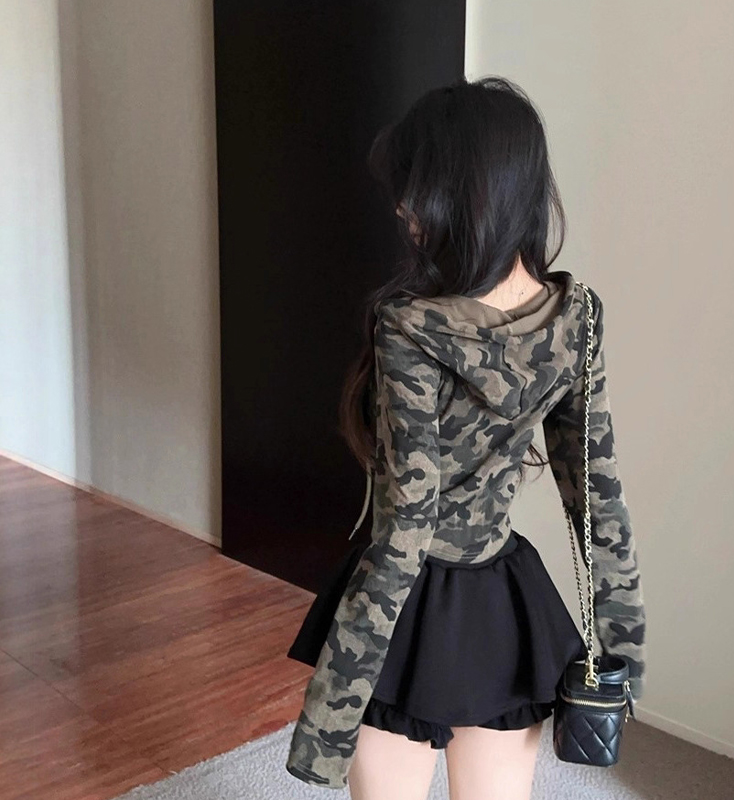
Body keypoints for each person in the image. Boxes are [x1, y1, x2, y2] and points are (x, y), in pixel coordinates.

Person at [285, 75, 646, 799]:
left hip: (407, 612)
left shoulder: (411, 326)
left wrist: (328, 721)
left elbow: (407, 525)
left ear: (466, 193)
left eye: (416, 188)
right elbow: (598, 498)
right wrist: (623, 657)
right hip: (505, 604)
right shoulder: (577, 317)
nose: (403, 207)